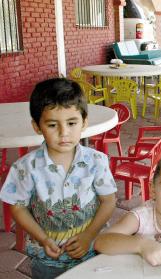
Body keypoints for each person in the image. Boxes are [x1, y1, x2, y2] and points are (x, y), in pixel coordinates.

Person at [0, 78, 117, 279]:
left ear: (84, 122)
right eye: (53, 125)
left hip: (91, 252)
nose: (64, 133)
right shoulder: (25, 168)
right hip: (46, 260)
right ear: (37, 126)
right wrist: (43, 238)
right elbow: (17, 206)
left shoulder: (96, 161)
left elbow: (108, 200)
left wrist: (89, 235)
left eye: (72, 123)